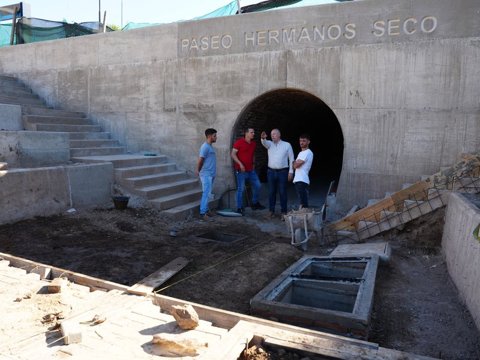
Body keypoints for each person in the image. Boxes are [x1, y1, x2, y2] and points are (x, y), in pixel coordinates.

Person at [231, 127, 265, 215]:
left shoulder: (253, 144)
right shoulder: (239, 142)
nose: (253, 134)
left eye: (253, 132)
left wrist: (253, 164)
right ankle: (239, 208)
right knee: (241, 189)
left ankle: (254, 203)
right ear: (246, 133)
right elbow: (233, 154)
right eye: (251, 132)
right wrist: (240, 164)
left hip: (251, 170)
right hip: (241, 171)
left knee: (258, 185)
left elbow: (253, 154)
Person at [260, 129, 294, 218]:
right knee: (271, 192)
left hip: (283, 172)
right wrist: (263, 138)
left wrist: (291, 172)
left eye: (274, 134)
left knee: (283, 192)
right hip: (271, 172)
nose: (272, 135)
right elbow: (264, 143)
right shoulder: (269, 144)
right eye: (271, 134)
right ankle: (271, 211)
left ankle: (284, 212)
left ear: (279, 135)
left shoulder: (287, 145)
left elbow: (291, 159)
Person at [196, 128, 217, 220]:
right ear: (209, 136)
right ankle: (202, 213)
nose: (216, 137)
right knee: (206, 193)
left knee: (208, 193)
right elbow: (201, 160)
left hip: (211, 174)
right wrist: (198, 170)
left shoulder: (210, 146)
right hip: (206, 174)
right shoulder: (205, 147)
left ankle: (206, 210)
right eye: (214, 135)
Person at [293, 134, 314, 209]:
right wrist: (295, 162)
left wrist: (295, 162)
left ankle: (304, 219)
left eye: (304, 141)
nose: (301, 142)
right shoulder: (300, 153)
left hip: (302, 180)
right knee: (302, 202)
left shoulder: (308, 152)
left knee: (303, 203)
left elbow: (295, 166)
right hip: (298, 180)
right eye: (300, 141)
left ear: (308, 142)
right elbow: (295, 165)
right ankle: (303, 218)